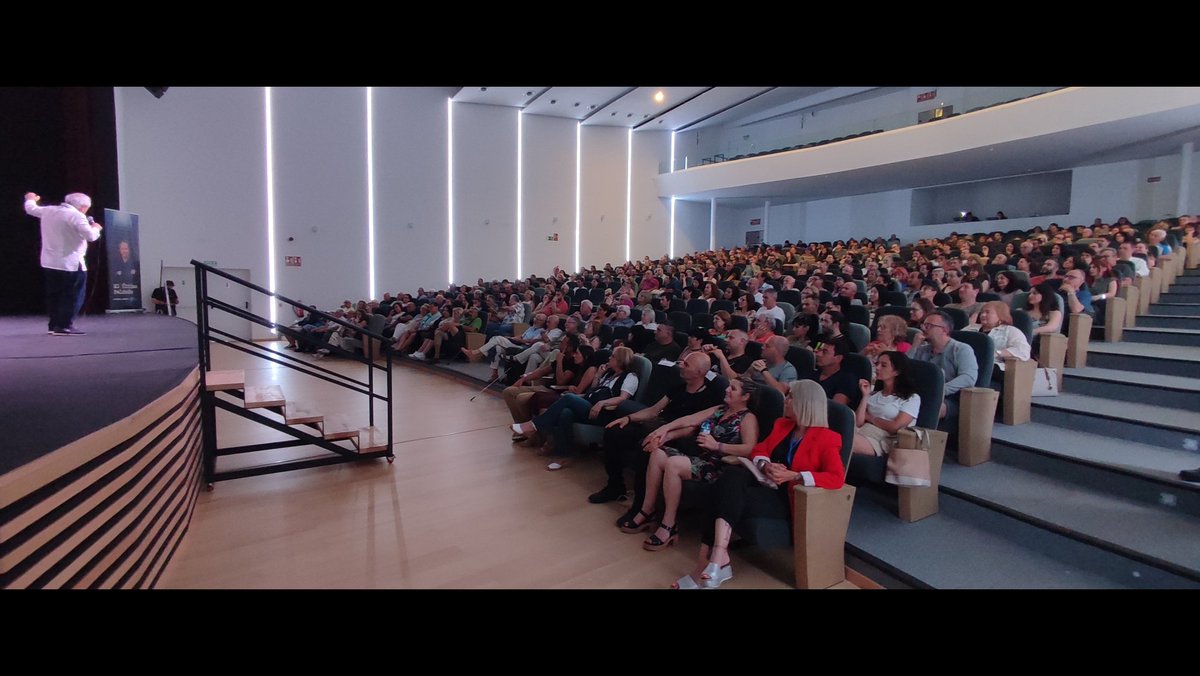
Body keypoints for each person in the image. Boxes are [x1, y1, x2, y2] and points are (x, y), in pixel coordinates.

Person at [675, 380, 843, 589]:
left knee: (721, 491)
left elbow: (836, 478)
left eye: (790, 397)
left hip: (789, 499)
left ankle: (706, 566)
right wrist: (765, 465)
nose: (786, 400)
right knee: (729, 478)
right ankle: (717, 557)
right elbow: (759, 450)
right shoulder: (783, 425)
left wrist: (795, 476)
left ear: (803, 403)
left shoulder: (828, 438)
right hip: (768, 486)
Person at [620, 377, 761, 552]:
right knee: (657, 454)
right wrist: (663, 430)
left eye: (732, 388)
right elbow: (690, 420)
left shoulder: (748, 418)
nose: (726, 390)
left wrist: (717, 446)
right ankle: (647, 510)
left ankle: (669, 525)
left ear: (745, 396)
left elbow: (750, 449)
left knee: (673, 464)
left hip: (720, 467)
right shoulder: (720, 409)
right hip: (701, 459)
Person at [512, 346, 638, 471]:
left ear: (621, 360)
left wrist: (602, 403)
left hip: (605, 413)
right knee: (565, 413)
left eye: (613, 356)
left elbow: (623, 399)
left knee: (569, 398)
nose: (609, 358)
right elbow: (593, 391)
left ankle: (534, 425)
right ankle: (564, 455)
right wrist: (599, 375)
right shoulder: (609, 374)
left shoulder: (630, 377)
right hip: (590, 404)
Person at [23, 192, 103, 335]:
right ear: (83, 207)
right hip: (70, 263)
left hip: (50, 262)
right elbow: (91, 236)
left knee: (55, 295)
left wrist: (30, 199)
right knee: (72, 295)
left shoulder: (49, 210)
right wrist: (96, 227)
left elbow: (31, 209)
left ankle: (54, 325)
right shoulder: (77, 216)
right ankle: (65, 325)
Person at [909, 310, 978, 421]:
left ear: (944, 330)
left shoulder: (961, 349)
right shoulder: (922, 349)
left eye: (929, 326)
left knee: (926, 407)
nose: (923, 328)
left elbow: (968, 378)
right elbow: (904, 369)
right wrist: (914, 347)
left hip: (950, 398)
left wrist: (939, 391)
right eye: (923, 325)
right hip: (920, 394)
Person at [852, 351, 921, 457]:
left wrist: (870, 418)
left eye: (883, 365)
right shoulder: (874, 394)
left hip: (883, 440)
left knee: (842, 440)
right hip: (862, 431)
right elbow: (858, 422)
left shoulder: (911, 398)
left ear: (896, 371)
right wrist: (865, 396)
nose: (878, 368)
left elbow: (895, 427)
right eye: (877, 364)